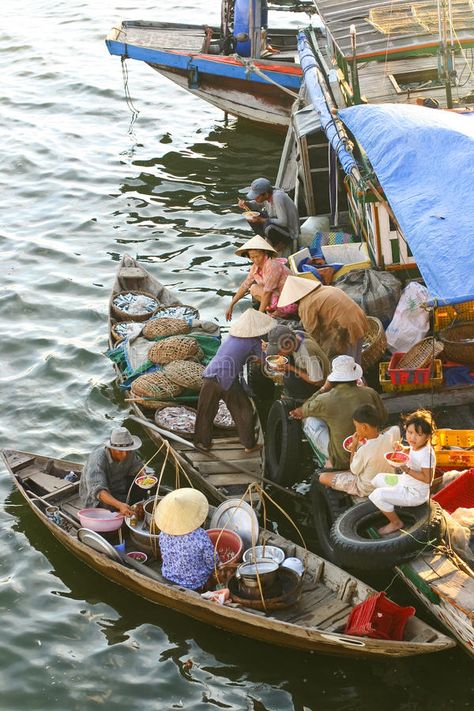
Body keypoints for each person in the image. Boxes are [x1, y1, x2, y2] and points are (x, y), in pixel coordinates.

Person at [194, 308, 275, 452]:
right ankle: (249, 445)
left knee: (205, 410)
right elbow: (265, 362)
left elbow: (237, 353)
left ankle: (202, 443)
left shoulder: (232, 336)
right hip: (228, 379)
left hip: (210, 374)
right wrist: (266, 352)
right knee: (243, 410)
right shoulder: (254, 342)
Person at [290, 356, 387, 469]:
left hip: (342, 459)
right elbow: (383, 418)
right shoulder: (370, 392)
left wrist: (324, 388)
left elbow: (304, 409)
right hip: (369, 450)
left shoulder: (325, 399)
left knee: (309, 420)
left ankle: (329, 459)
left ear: (333, 378)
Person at [369, 410, 436, 535]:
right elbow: (411, 451)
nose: (412, 437)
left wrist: (407, 469)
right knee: (377, 478)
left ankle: (396, 522)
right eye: (410, 432)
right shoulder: (416, 446)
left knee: (376, 495)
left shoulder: (427, 454)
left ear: (428, 436)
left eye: (418, 435)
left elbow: (428, 479)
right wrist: (402, 449)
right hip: (405, 482)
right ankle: (388, 506)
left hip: (415, 493)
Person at [277, 275, 369, 364]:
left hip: (346, 328)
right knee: (355, 361)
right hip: (358, 320)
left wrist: (317, 349)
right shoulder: (326, 288)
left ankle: (353, 378)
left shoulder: (306, 304)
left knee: (346, 366)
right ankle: (357, 376)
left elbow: (312, 331)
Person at [319, 404, 400, 497]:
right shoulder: (390, 436)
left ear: (364, 427)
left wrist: (353, 447)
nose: (356, 429)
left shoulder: (363, 450)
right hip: (386, 482)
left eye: (356, 426)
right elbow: (395, 428)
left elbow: (353, 471)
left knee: (323, 477)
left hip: (367, 488)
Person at [155, 488, 217, 590]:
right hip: (195, 583)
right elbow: (212, 562)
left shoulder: (163, 533)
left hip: (168, 576)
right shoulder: (200, 535)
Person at [226, 236, 297, 320]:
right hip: (278, 297)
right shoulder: (255, 267)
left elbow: (268, 292)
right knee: (253, 288)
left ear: (264, 253)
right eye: (252, 257)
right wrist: (231, 304)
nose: (255, 260)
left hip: (290, 301)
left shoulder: (272, 265)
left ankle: (280, 312)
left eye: (257, 256)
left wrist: (259, 315)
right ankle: (274, 311)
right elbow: (245, 285)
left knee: (256, 289)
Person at [79, 427, 144, 516]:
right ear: (111, 448)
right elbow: (98, 491)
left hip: (119, 490)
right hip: (97, 499)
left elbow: (138, 468)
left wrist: (145, 478)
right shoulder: (98, 458)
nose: (124, 455)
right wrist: (120, 505)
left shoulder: (129, 453)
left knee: (145, 492)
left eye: (127, 451)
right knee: (109, 507)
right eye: (120, 451)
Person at [264, 324, 330, 400]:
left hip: (322, 384)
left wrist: (291, 368)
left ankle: (301, 401)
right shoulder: (295, 335)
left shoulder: (306, 349)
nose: (278, 354)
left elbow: (317, 381)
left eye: (279, 351)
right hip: (307, 370)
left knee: (290, 378)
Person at [238, 177, 299, 253]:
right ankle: (264, 239)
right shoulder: (268, 195)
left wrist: (262, 220)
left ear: (265, 194)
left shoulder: (277, 198)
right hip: (277, 222)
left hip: (290, 231)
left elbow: (283, 221)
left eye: (257, 196)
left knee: (268, 226)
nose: (255, 198)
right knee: (251, 217)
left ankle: (282, 243)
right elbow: (257, 204)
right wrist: (247, 204)